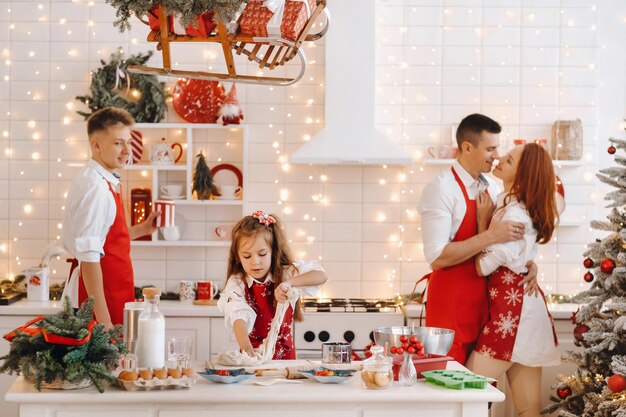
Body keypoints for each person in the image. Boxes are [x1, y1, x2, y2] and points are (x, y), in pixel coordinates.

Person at [417, 113, 539, 365]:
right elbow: (437, 257)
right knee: (447, 384)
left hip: (486, 307)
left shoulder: (493, 188)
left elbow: (506, 242)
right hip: (450, 308)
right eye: (490, 148)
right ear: (467, 147)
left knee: (482, 395)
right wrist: (488, 236)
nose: (496, 155)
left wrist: (528, 262)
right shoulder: (441, 189)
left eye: (498, 148)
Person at [467, 143, 560, 417]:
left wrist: (483, 224)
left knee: (465, 392)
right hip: (523, 312)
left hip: (511, 320)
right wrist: (529, 263)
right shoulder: (506, 202)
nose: (498, 159)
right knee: (528, 409)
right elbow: (517, 255)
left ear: (522, 177)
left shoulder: (514, 215)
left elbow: (483, 266)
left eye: (507, 160)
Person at [63, 107, 159, 329]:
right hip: (103, 300)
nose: (127, 150)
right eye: (118, 143)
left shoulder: (103, 180)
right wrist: (103, 320)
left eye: (128, 141)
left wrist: (141, 230)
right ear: (96, 145)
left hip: (114, 293)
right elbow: (88, 257)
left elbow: (105, 238)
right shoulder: (95, 188)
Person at [217, 211, 328, 359]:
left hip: (285, 356)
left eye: (262, 254)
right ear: (238, 256)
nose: (255, 261)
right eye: (247, 256)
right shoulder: (237, 282)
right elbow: (238, 316)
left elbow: (321, 276)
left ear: (273, 251)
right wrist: (246, 348)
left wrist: (289, 283)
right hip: (253, 355)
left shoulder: (286, 273)